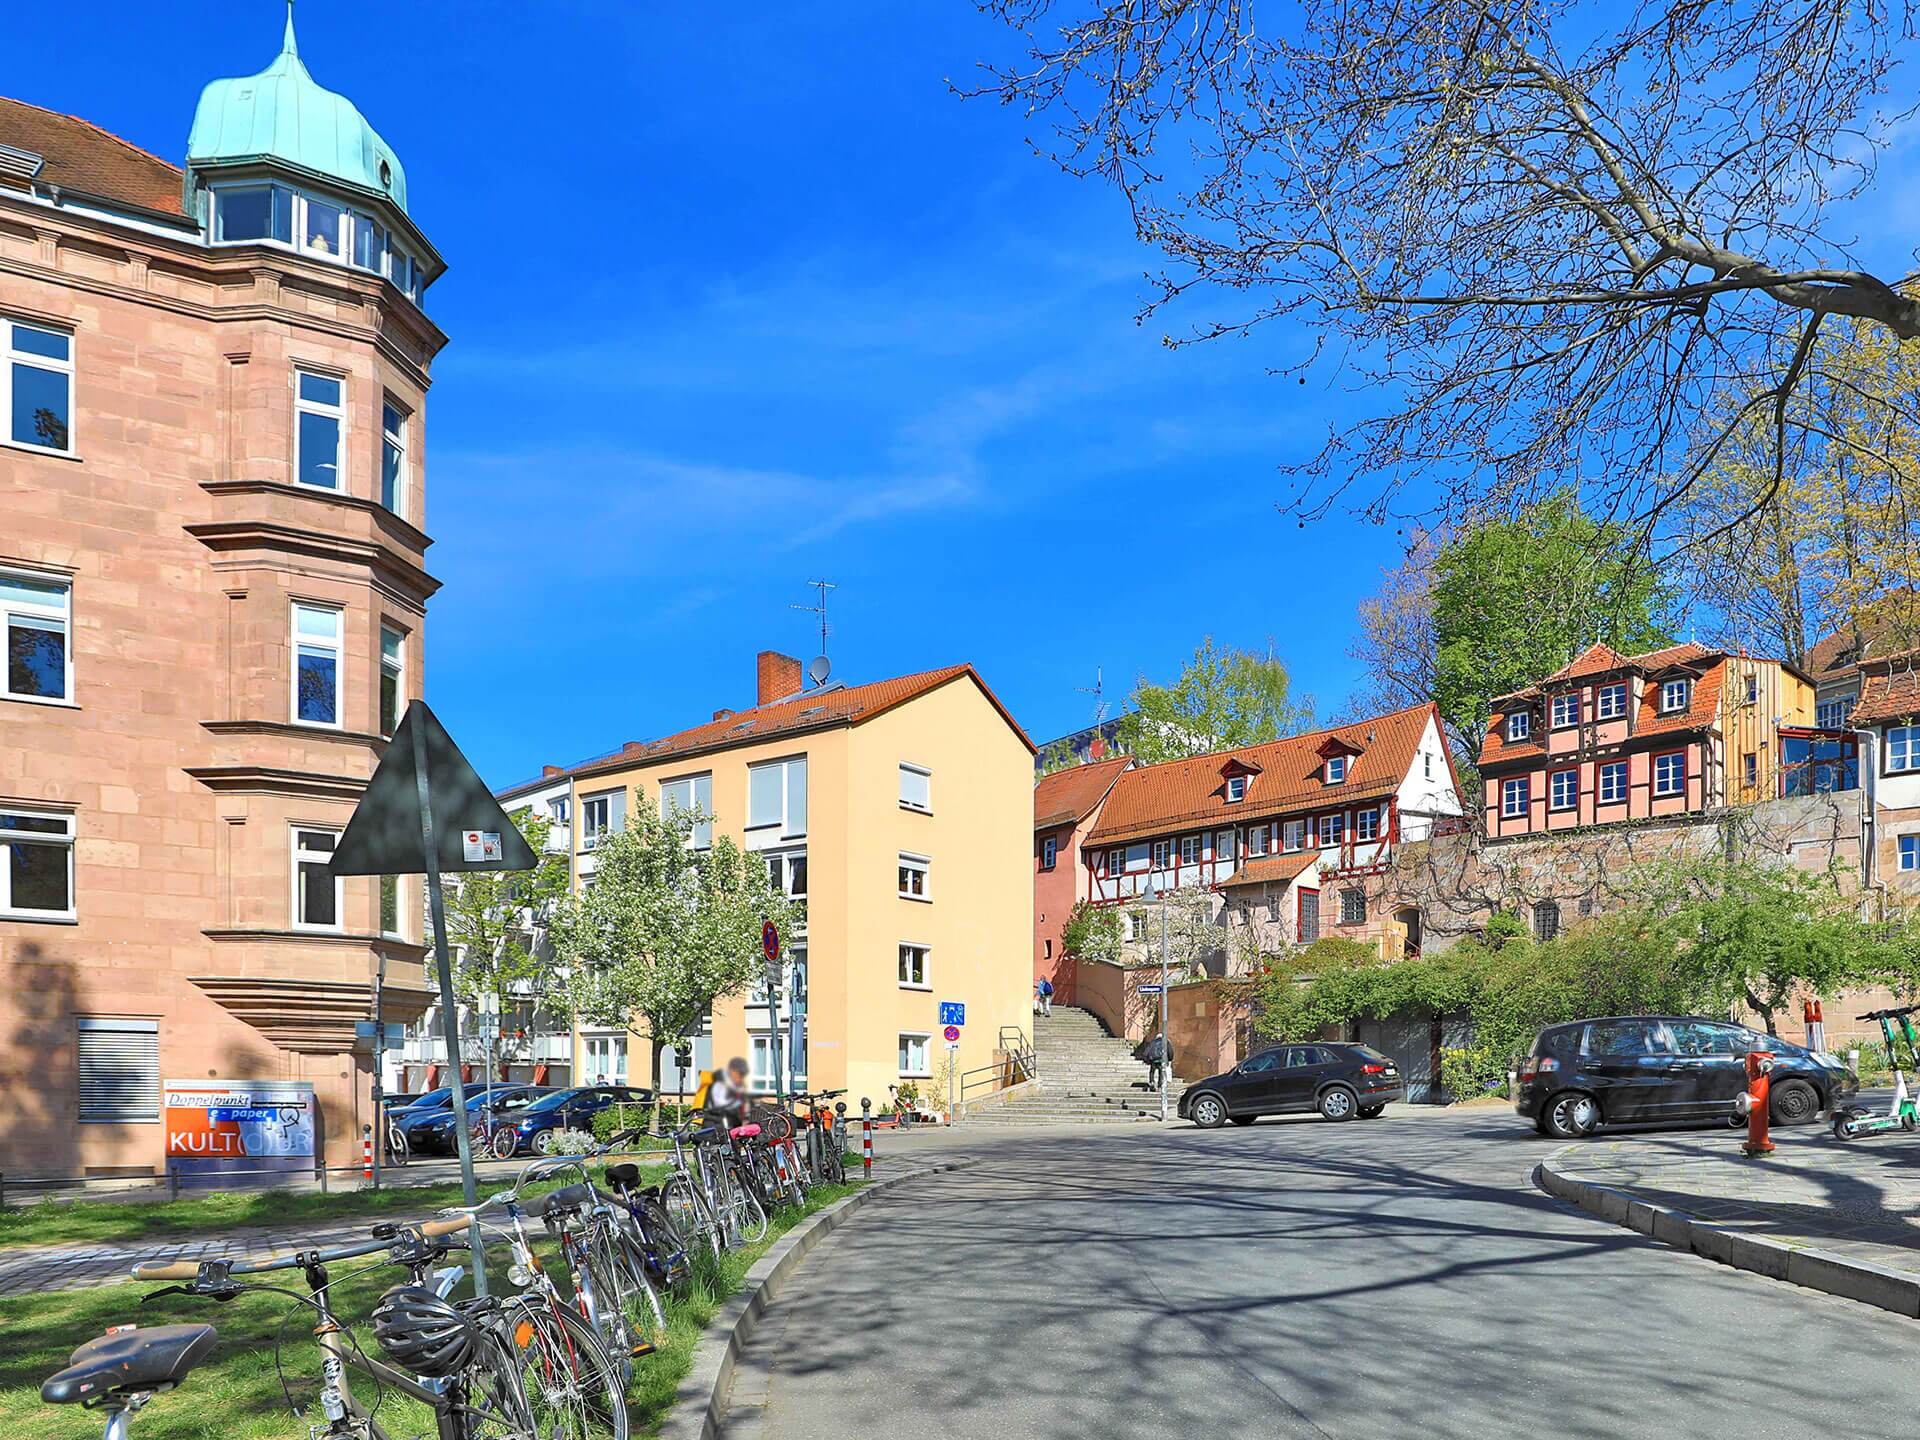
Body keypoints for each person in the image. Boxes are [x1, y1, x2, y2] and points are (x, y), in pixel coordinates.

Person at [693, 1057, 751, 1130]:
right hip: (714, 1126)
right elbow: (721, 1105)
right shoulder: (719, 1085)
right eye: (740, 1074)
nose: (741, 1077)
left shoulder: (736, 1086)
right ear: (732, 1071)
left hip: (729, 1125)